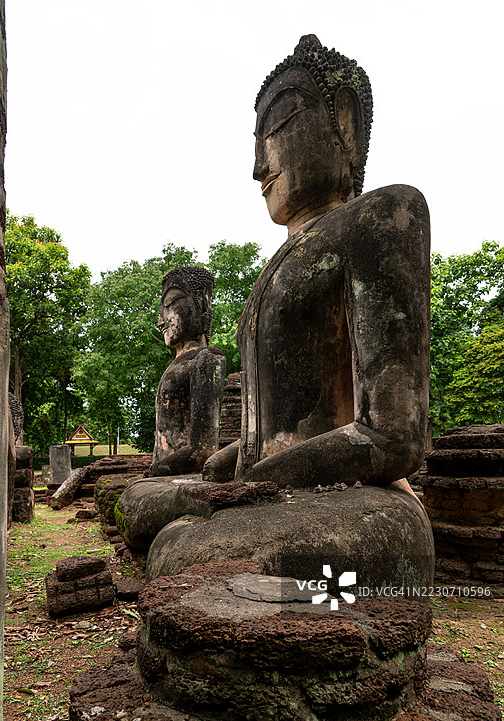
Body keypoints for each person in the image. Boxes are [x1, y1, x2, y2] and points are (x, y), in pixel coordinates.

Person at [203, 34, 430, 489]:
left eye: (277, 128)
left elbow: (392, 437)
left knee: (187, 542)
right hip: (279, 492)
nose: (258, 167)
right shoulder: (278, 265)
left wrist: (263, 478)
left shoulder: (382, 216)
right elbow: (265, 435)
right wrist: (230, 465)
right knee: (153, 508)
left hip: (360, 502)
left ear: (344, 124)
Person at [151, 265, 226, 476]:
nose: (161, 320)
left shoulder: (207, 359)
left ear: (202, 303)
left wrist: (156, 472)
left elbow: (202, 451)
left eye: (169, 304)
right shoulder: (177, 365)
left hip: (182, 478)